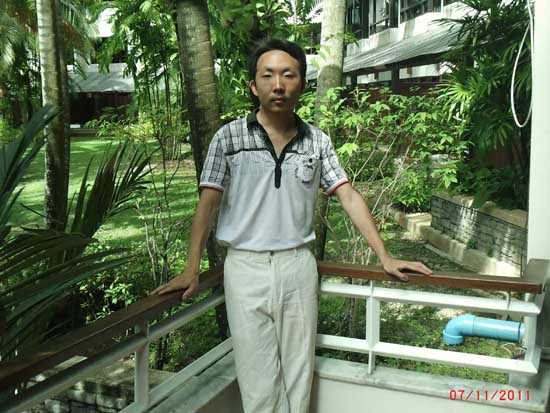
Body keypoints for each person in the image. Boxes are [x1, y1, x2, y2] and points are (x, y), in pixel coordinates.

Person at [152, 38, 432, 413]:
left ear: (301, 84)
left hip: (297, 265)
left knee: (299, 376)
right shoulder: (228, 138)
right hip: (245, 268)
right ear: (254, 86)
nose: (278, 85)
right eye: (268, 75)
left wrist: (385, 256)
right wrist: (192, 268)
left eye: (288, 75)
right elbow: (208, 203)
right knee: (258, 381)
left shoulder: (317, 141)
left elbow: (348, 196)